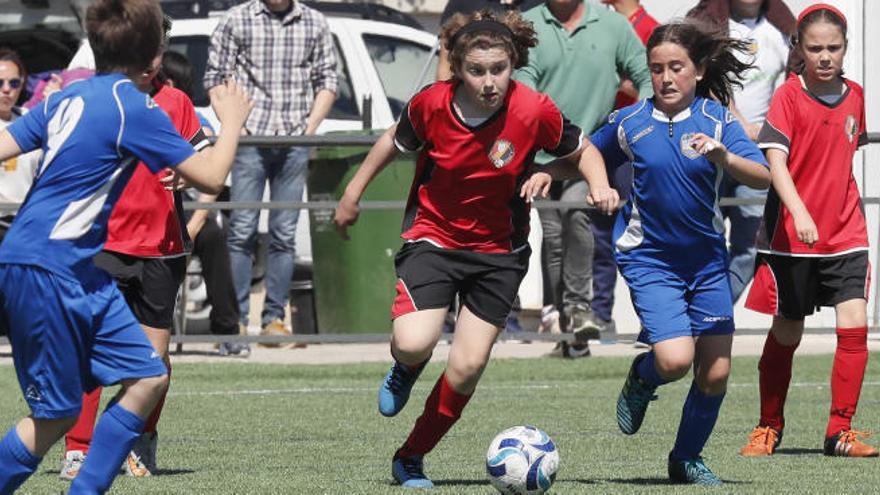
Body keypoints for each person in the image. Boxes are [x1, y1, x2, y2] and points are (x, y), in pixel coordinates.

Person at [334, 10, 618, 488]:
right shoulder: (431, 104)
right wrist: (351, 193)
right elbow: (392, 142)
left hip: (498, 253)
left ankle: (410, 457)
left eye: (499, 70)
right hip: (434, 239)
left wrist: (600, 183)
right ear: (458, 68)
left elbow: (584, 150)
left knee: (464, 370)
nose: (490, 82)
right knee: (412, 341)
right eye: (477, 71)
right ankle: (407, 366)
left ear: (514, 65)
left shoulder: (533, 109)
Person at [0, 0, 252, 491]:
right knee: (56, 416)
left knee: (148, 375)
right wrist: (233, 121)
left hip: (61, 264)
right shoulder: (134, 106)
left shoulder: (63, 99)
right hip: (51, 267)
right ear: (155, 56)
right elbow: (212, 177)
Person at [595, 21, 770, 484]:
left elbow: (762, 174)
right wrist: (566, 176)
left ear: (698, 69)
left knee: (714, 373)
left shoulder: (716, 121)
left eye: (676, 67)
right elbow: (589, 152)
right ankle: (643, 375)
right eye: (657, 69)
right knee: (673, 360)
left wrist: (723, 158)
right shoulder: (630, 122)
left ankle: (685, 459)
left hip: (707, 263)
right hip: (649, 260)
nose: (666, 78)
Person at [56, 20, 217, 481]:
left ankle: (138, 442)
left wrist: (187, 175)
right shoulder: (96, 98)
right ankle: (79, 446)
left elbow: (205, 163)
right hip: (103, 245)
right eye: (144, 48)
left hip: (161, 249)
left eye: (158, 48)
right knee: (89, 350)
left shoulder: (177, 102)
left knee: (152, 363)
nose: (152, 60)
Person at [740, 4, 877, 458]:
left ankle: (840, 431)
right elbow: (775, 162)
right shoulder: (788, 96)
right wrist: (799, 211)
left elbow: (842, 151)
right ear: (798, 48)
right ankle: (768, 427)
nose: (824, 56)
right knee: (788, 334)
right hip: (792, 239)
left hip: (845, 233)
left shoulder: (856, 95)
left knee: (855, 325)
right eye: (815, 47)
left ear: (845, 49)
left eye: (833, 48)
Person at [516, 0, 652, 357]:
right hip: (540, 156)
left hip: (590, 153)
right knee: (554, 236)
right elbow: (523, 89)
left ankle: (578, 310)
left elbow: (645, 77)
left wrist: (640, 125)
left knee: (578, 216)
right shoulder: (526, 24)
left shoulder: (613, 26)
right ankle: (564, 327)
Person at [204, 0, 337, 345]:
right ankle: (234, 324)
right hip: (249, 141)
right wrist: (236, 128)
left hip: (294, 140)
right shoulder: (237, 19)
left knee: (284, 234)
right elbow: (215, 77)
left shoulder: (315, 22)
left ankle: (273, 320)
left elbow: (328, 80)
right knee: (241, 231)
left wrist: (308, 127)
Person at [687, 0, 795, 302]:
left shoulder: (785, 29)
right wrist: (737, 123)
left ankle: (713, 308)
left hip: (759, 153)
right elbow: (704, 78)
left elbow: (792, 86)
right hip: (708, 147)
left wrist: (773, 129)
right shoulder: (704, 22)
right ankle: (695, 313)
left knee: (751, 247)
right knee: (703, 238)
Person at [162, 50, 249, 357]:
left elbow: (211, 175)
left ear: (170, 82)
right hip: (155, 213)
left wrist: (196, 223)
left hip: (189, 211)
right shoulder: (145, 111)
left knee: (212, 236)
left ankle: (228, 331)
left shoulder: (194, 121)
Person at [0, 48, 39, 244]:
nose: (6, 89)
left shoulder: (29, 120)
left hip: (26, 223)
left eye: (13, 83)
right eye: (0, 83)